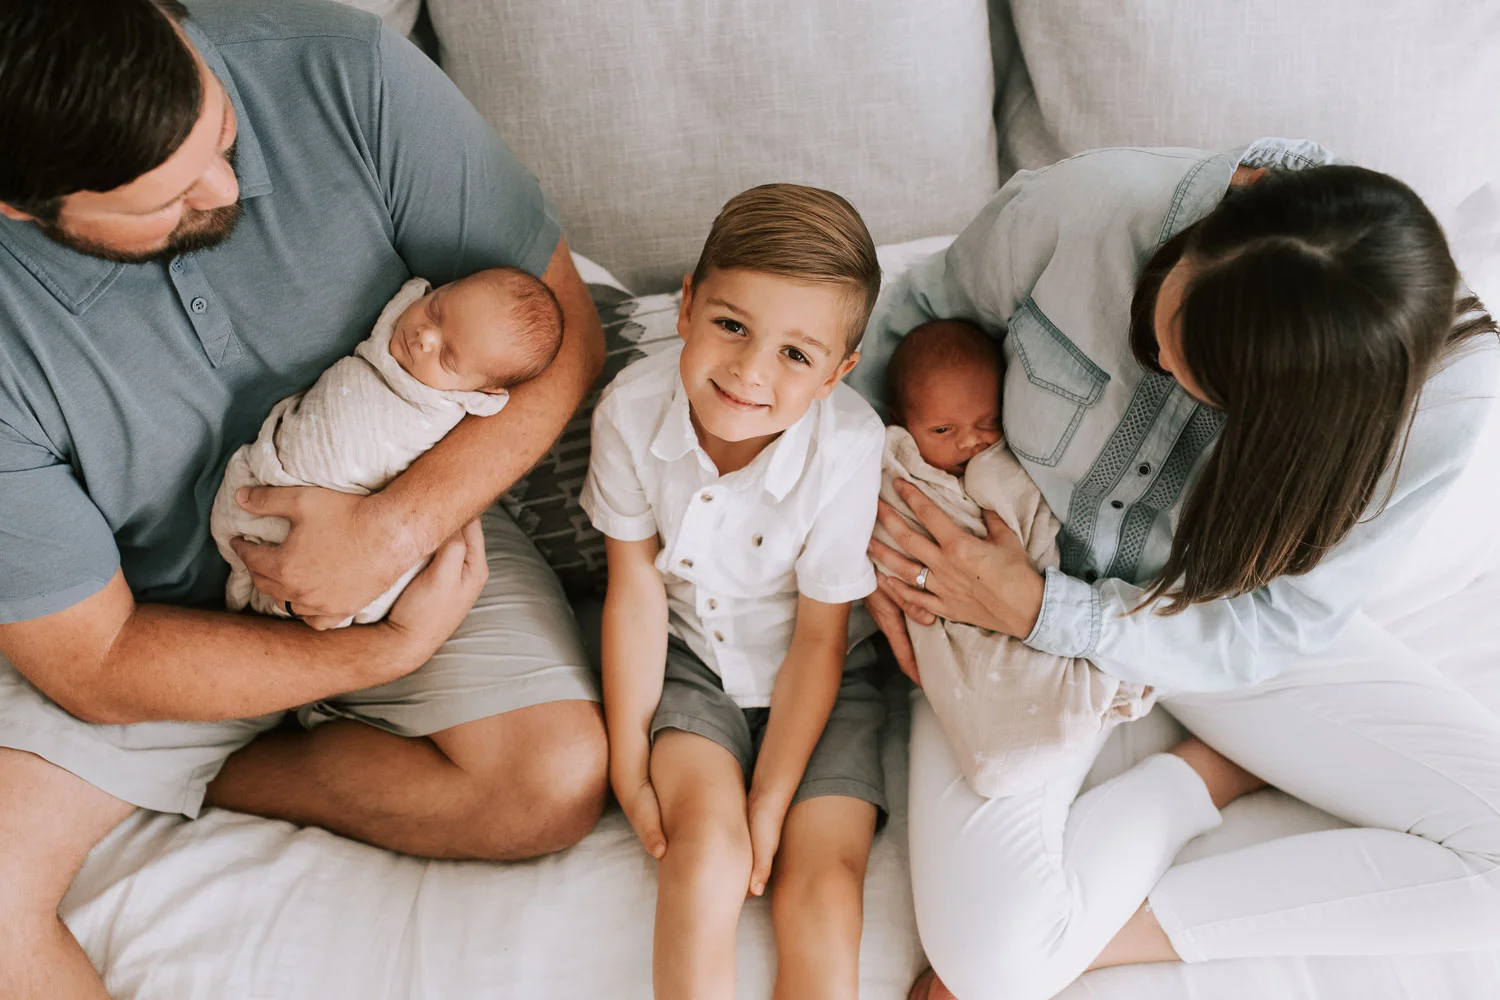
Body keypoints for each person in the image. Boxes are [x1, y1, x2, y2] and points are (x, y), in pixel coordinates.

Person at [0, 2, 608, 997]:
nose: (226, 187)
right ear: (25, 209)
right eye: (167, 199)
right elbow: (97, 660)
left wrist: (389, 530)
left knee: (549, 784)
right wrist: (375, 652)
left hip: (400, 525)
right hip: (155, 626)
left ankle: (236, 769)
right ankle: (210, 754)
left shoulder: (342, 69)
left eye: (221, 135)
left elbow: (565, 333)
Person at [849, 139, 1500, 1000]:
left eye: (1207, 394)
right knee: (990, 963)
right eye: (1163, 331)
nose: (1159, 370)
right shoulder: (1078, 209)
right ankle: (1212, 770)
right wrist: (872, 529)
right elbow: (901, 341)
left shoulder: (1445, 396)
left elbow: (1278, 624)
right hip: (993, 590)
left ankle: (1116, 914)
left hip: (1210, 622)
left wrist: (1052, 612)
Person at [581, 183, 887, 1000]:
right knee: (706, 856)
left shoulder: (850, 447)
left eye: (795, 354)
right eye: (731, 326)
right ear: (685, 305)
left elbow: (823, 639)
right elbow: (635, 593)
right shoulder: (630, 413)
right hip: (693, 666)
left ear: (836, 373)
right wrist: (627, 761)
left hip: (828, 680)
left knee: (821, 884)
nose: (750, 371)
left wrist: (772, 801)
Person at [878, 319, 1151, 800]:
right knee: (988, 749)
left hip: (1032, 594)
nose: (971, 443)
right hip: (933, 611)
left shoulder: (999, 466)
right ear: (900, 422)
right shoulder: (892, 464)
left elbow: (1034, 521)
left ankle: (1070, 704)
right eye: (943, 430)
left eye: (987, 424)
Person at [212, 267, 564, 627]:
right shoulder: (398, 320)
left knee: (335, 589)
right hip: (276, 469)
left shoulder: (450, 406)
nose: (425, 336)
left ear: (481, 393)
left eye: (448, 359)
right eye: (436, 310)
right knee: (239, 517)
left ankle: (266, 607)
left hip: (342, 511)